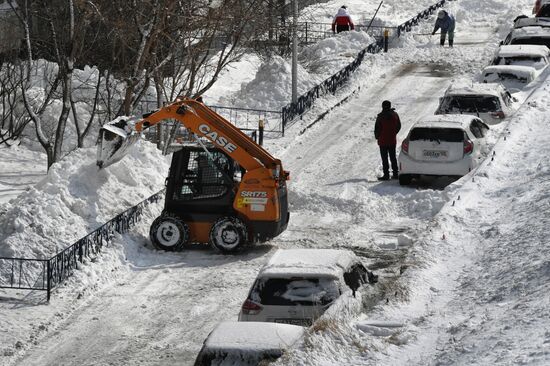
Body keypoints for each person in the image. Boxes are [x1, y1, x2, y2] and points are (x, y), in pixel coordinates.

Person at [374, 100, 401, 181]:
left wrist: (378, 137)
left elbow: (377, 129)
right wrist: (394, 133)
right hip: (392, 140)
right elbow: (399, 126)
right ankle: (395, 174)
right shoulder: (395, 115)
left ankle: (386, 175)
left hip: (383, 141)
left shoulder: (380, 116)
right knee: (393, 157)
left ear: (382, 106)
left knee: (384, 158)